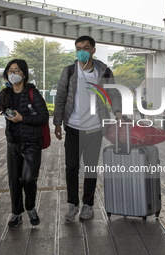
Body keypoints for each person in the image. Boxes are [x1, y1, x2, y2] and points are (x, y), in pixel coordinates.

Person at [53, 35, 122, 222]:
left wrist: (117, 112)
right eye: (78, 48)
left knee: (90, 168)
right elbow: (60, 97)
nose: (81, 51)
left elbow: (114, 93)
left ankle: (88, 205)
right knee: (72, 167)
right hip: (73, 127)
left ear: (93, 50)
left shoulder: (104, 71)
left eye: (85, 48)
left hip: (95, 128)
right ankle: (73, 204)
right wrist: (58, 123)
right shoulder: (68, 71)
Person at [0, 59, 49, 227]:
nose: (13, 73)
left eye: (17, 70)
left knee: (29, 179)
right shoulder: (5, 94)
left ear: (24, 74)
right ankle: (16, 213)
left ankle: (30, 207)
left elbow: (43, 117)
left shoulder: (32, 93)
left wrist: (22, 118)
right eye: (10, 70)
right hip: (13, 143)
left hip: (32, 144)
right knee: (14, 180)